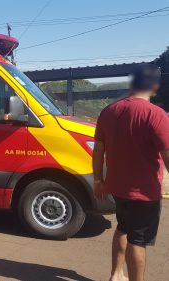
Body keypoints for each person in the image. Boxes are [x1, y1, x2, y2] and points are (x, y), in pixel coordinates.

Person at [92, 64, 169, 281]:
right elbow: (167, 154)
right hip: (144, 192)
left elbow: (98, 150)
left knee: (123, 227)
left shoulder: (108, 111)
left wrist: (98, 179)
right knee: (138, 239)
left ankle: (116, 275)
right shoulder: (156, 114)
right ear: (155, 86)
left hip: (117, 187)